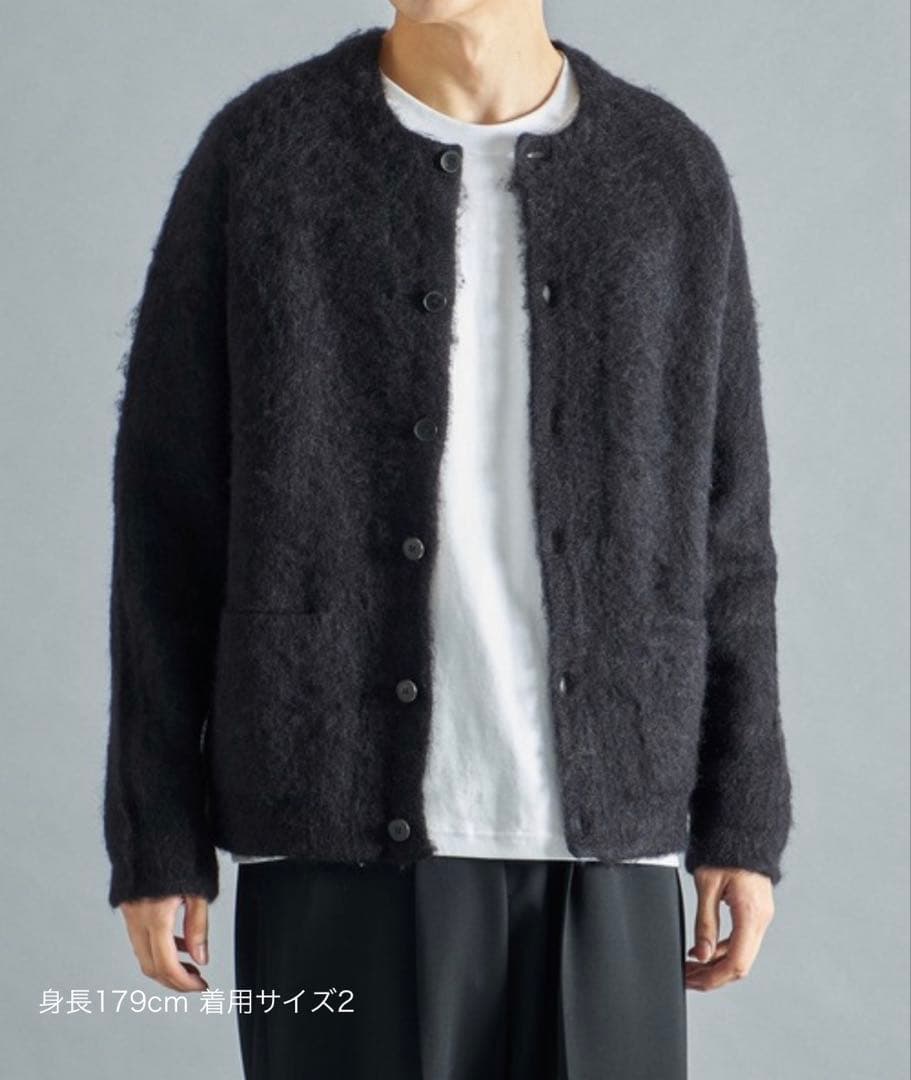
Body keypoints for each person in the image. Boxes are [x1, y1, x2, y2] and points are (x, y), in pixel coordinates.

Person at [102, 5, 793, 1078]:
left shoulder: (667, 173)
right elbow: (166, 513)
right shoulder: (266, 154)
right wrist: (156, 833)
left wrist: (741, 816)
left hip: (608, 841)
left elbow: (727, 522)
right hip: (329, 823)